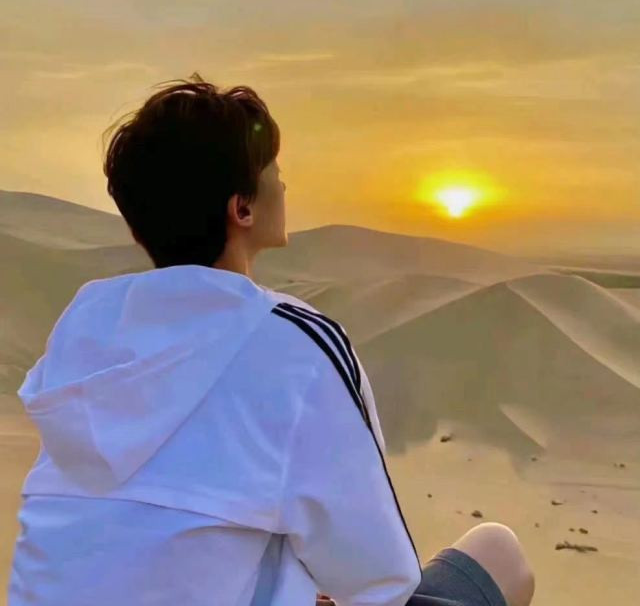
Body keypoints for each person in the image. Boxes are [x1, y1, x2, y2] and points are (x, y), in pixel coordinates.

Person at [7, 73, 535, 606]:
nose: (283, 187)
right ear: (241, 208)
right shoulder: (295, 348)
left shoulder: (84, 331)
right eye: (274, 173)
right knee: (498, 553)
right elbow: (381, 579)